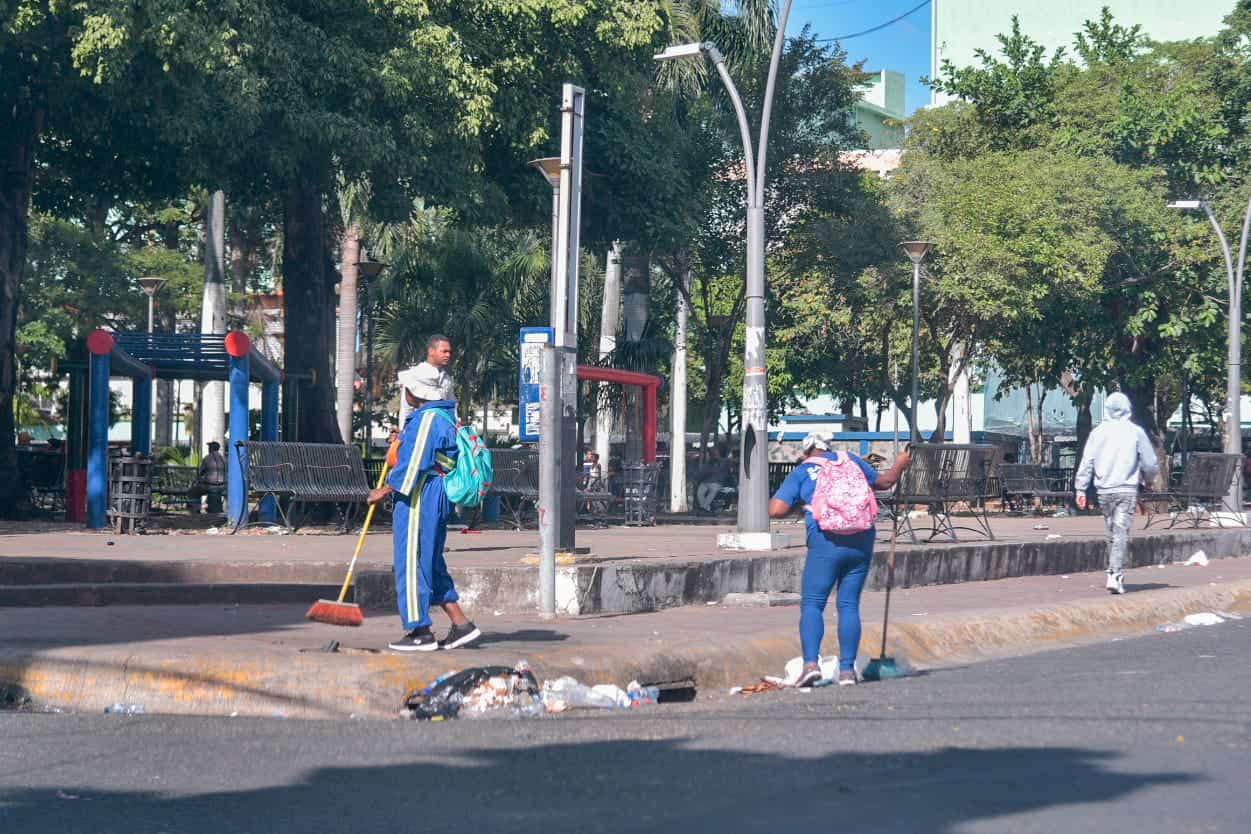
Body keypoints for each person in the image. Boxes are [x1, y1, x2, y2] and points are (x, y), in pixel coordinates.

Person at [769, 433, 911, 687]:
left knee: (812, 604)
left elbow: (776, 510)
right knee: (848, 604)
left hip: (826, 542)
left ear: (806, 452)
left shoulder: (804, 470)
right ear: (829, 447)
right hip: (861, 539)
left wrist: (802, 505)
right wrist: (900, 464)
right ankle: (847, 671)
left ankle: (811, 665)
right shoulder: (852, 460)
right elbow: (886, 482)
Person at [368, 363, 480, 652]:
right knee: (429, 559)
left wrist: (387, 488)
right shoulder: (441, 416)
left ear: (415, 392)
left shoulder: (428, 419)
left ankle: (419, 629)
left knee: (412, 560)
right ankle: (461, 624)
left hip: (419, 494)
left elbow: (416, 461)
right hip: (434, 491)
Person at [1073, 392, 1159, 595]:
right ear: (1128, 408)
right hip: (1126, 489)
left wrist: (1080, 488)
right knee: (1121, 532)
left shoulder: (1098, 432)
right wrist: (1149, 478)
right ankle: (1115, 573)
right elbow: (1150, 462)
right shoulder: (1135, 432)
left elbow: (1087, 461)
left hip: (1104, 490)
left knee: (1112, 531)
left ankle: (1113, 570)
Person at [397, 335, 456, 430]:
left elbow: (452, 407)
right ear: (431, 351)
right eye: (444, 351)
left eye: (449, 352)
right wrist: (402, 433)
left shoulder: (447, 379)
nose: (448, 355)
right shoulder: (414, 375)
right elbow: (406, 409)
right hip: (419, 430)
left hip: (442, 431)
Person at [188, 441, 227, 514]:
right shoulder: (224, 459)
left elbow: (201, 472)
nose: (208, 448)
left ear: (211, 448)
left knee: (193, 491)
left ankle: (196, 509)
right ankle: (208, 505)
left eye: (209, 447)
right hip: (223, 486)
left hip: (209, 486)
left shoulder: (207, 458)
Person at [695, 446, 731, 514]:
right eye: (712, 453)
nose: (713, 454)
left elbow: (728, 461)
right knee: (699, 493)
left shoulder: (724, 462)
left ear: (718, 453)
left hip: (716, 482)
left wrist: (719, 458)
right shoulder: (709, 462)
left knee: (713, 491)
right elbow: (703, 472)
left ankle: (704, 508)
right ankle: (706, 509)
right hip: (706, 481)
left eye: (715, 453)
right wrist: (698, 479)